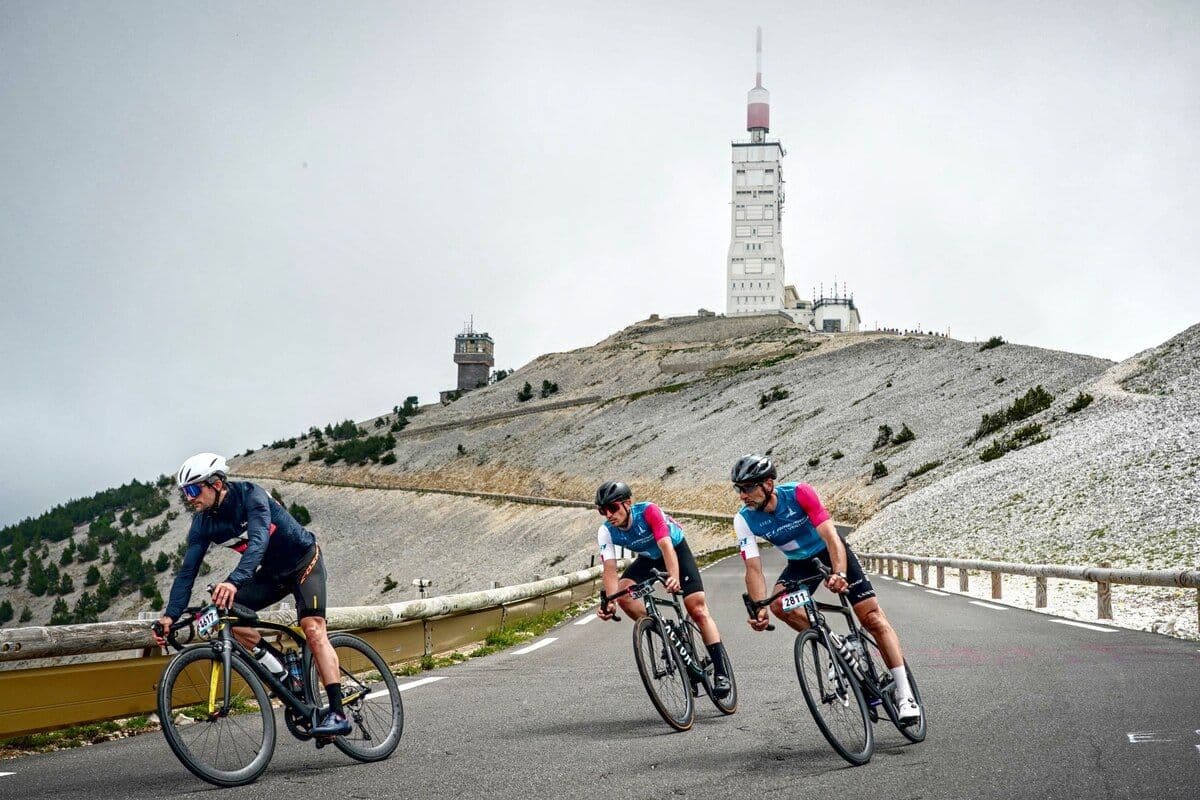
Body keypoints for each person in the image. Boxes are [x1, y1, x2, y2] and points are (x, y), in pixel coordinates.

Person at [152, 452, 351, 736]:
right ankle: (282, 671)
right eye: (185, 492)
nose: (188, 498)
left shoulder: (251, 496)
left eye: (193, 489)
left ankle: (338, 713)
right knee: (228, 617)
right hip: (271, 573)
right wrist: (170, 616)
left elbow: (258, 542)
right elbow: (187, 572)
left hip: (303, 562)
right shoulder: (202, 523)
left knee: (313, 629)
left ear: (216, 484)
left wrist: (234, 581)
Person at [731, 454, 920, 720]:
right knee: (777, 605)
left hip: (830, 552)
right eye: (739, 489)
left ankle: (905, 694)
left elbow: (832, 536)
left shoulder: (799, 494)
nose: (743, 495)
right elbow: (753, 568)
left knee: (872, 618)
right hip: (800, 565)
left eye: (748, 487)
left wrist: (840, 573)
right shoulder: (744, 520)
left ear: (768, 483)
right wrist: (758, 607)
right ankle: (837, 644)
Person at [593, 480, 732, 699]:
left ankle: (722, 672)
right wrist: (610, 601)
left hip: (675, 551)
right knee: (624, 596)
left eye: (613, 508)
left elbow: (667, 547)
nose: (608, 514)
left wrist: (674, 578)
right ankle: (664, 629)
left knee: (696, 608)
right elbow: (610, 569)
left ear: (628, 503)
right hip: (648, 559)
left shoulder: (649, 511)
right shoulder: (606, 531)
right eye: (603, 510)